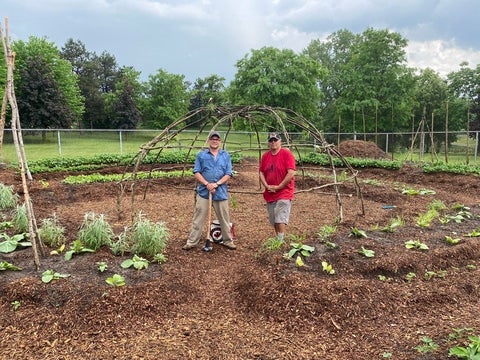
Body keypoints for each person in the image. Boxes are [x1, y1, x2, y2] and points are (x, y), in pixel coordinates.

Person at [182, 131, 236, 251]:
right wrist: (207, 184)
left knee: (224, 218)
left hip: (220, 192)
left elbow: (228, 173)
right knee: (198, 218)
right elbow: (196, 171)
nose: (214, 141)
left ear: (220, 142)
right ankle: (191, 242)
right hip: (204, 192)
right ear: (209, 140)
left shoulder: (225, 156)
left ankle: (228, 241)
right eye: (212, 139)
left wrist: (216, 184)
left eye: (217, 139)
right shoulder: (201, 155)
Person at [259, 132, 296, 241]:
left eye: (275, 140)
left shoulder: (286, 154)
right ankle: (278, 238)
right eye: (271, 140)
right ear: (268, 143)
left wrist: (279, 186)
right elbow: (261, 172)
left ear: (280, 142)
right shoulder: (266, 156)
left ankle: (280, 242)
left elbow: (291, 172)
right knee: (274, 219)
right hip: (270, 192)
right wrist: (266, 185)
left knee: (280, 217)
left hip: (284, 192)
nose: (273, 142)